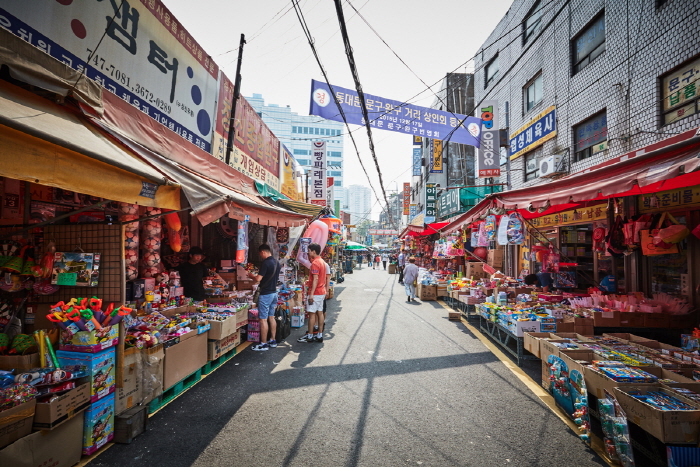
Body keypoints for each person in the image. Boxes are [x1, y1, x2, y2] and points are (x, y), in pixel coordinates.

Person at [250, 244, 281, 351]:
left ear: (263, 252)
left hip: (266, 294)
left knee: (263, 319)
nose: (261, 256)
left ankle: (263, 344)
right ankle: (272, 340)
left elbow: (258, 279)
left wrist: (251, 276)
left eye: (260, 254)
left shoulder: (266, 263)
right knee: (271, 317)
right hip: (274, 293)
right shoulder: (277, 263)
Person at [298, 243, 326, 343]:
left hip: (316, 292)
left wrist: (311, 294)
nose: (308, 253)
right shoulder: (322, 261)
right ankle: (319, 334)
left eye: (309, 251)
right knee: (320, 313)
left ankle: (310, 336)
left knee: (312, 314)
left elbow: (315, 279)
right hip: (321, 291)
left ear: (314, 251)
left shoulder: (315, 263)